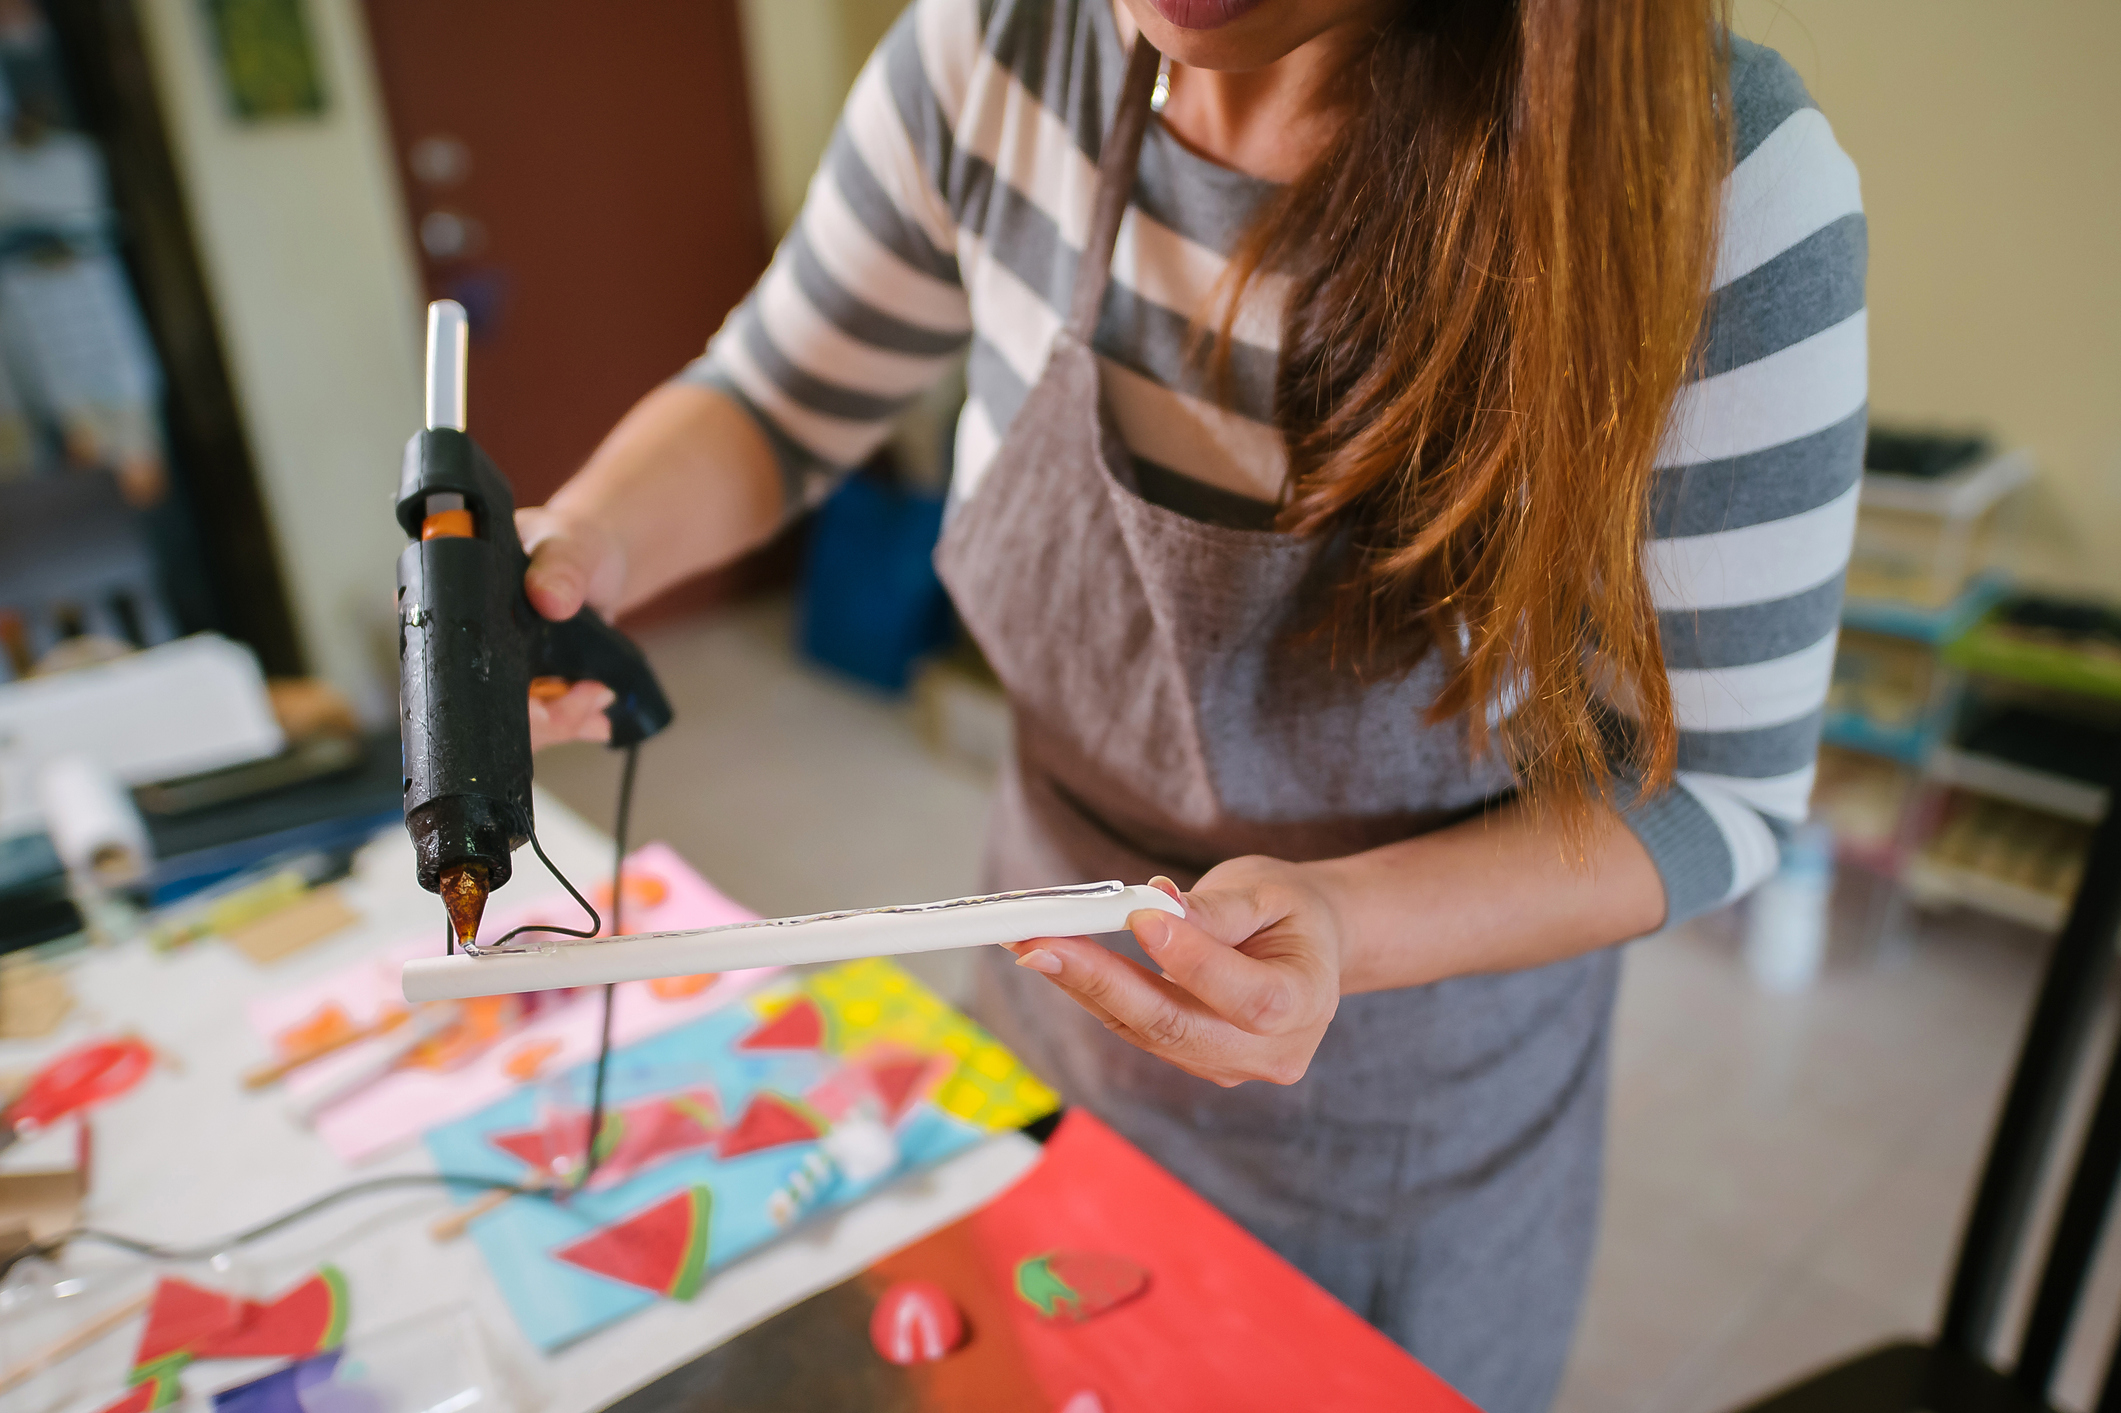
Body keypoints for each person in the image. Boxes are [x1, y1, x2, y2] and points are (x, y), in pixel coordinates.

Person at [521, 0, 1865, 1404]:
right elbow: (778, 394)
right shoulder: (993, 46)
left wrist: (1344, 926)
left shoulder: (1710, 190)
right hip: (1041, 1022)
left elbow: (1716, 789)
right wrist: (589, 543)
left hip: (1392, 1125)